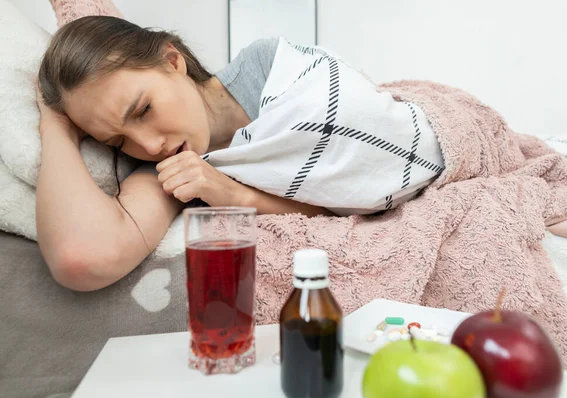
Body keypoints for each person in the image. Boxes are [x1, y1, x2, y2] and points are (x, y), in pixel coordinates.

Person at [37, 16, 443, 291]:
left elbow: (378, 140)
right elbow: (82, 258)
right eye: (117, 142)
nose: (148, 145)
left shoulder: (272, 68)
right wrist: (54, 127)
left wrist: (234, 195)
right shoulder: (164, 170)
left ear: (172, 61)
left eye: (144, 110)